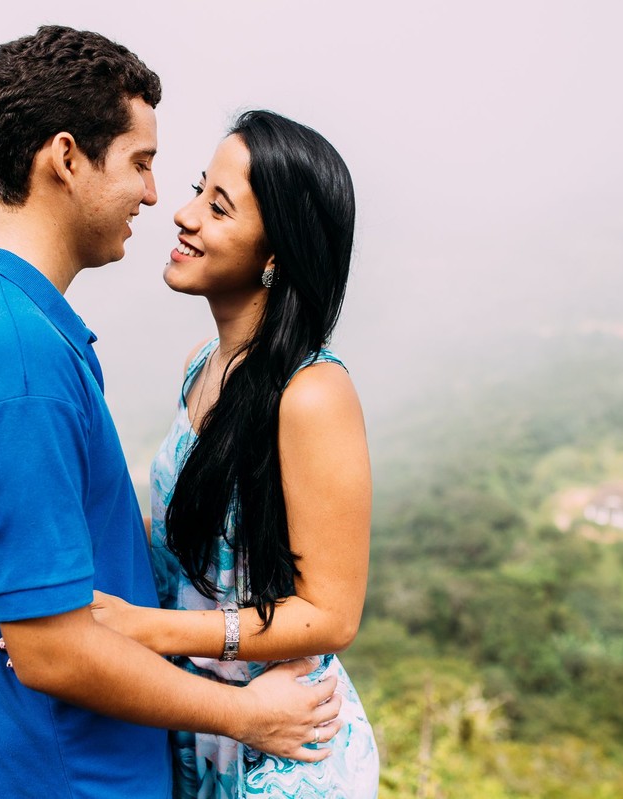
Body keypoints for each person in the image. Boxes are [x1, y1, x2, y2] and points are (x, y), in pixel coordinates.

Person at [0, 28, 342, 798]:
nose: (157, 195)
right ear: (65, 158)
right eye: (141, 162)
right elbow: (53, 651)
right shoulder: (15, 358)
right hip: (59, 777)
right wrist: (246, 714)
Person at [89, 111, 380, 797]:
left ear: (275, 253)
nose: (183, 216)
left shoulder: (312, 394)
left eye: (217, 208)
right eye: (198, 190)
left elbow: (331, 615)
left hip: (284, 748)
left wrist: (145, 629)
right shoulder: (203, 367)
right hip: (208, 727)